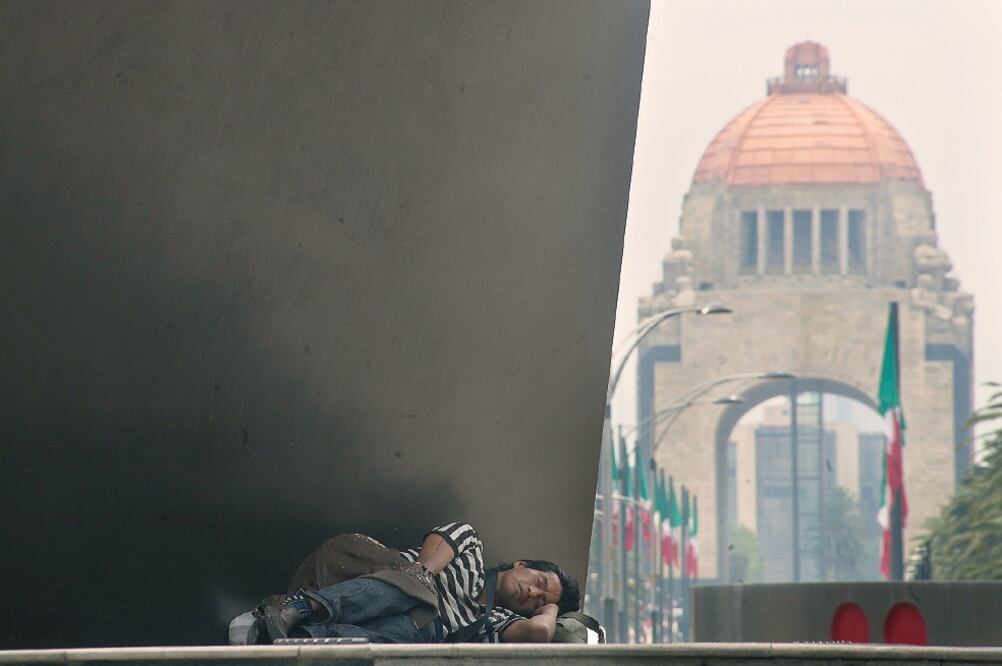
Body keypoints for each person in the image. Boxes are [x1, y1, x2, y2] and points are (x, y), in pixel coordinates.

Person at [250, 522, 580, 643]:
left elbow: (539, 632)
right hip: (361, 572)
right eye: (538, 581)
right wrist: (423, 576)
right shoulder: (473, 552)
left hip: (402, 628)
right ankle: (299, 606)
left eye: (539, 600)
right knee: (418, 592)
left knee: (414, 633)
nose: (531, 592)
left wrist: (551, 608)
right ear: (522, 564)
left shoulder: (493, 621)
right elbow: (433, 554)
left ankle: (290, 635)